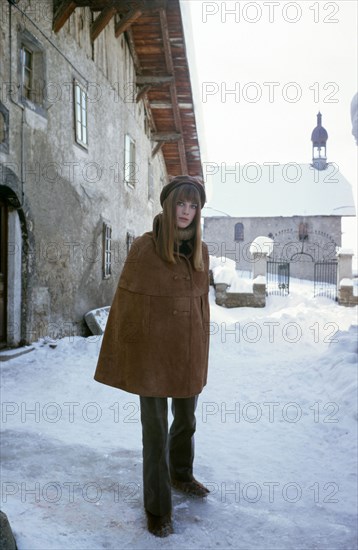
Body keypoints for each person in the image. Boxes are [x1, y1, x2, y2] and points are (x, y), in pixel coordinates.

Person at [94, 175, 210, 537]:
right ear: (168, 205)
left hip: (187, 352)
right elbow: (126, 305)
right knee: (155, 432)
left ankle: (181, 474)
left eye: (193, 206)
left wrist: (201, 347)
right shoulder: (145, 249)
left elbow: (203, 307)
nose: (186, 212)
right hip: (152, 357)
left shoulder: (201, 252)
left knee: (187, 420)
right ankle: (157, 508)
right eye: (181, 204)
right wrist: (129, 354)